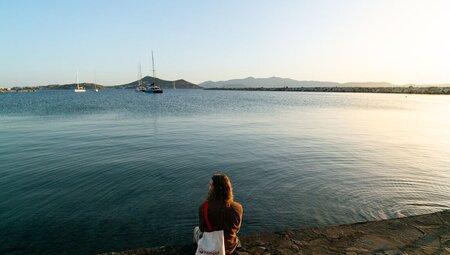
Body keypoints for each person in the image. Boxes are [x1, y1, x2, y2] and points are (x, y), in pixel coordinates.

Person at [194, 173, 243, 255]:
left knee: (196, 230)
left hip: (212, 248)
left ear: (214, 189)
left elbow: (202, 229)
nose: (208, 187)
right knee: (234, 236)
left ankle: (198, 248)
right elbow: (237, 229)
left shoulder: (204, 207)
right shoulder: (238, 207)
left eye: (210, 185)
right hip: (229, 247)